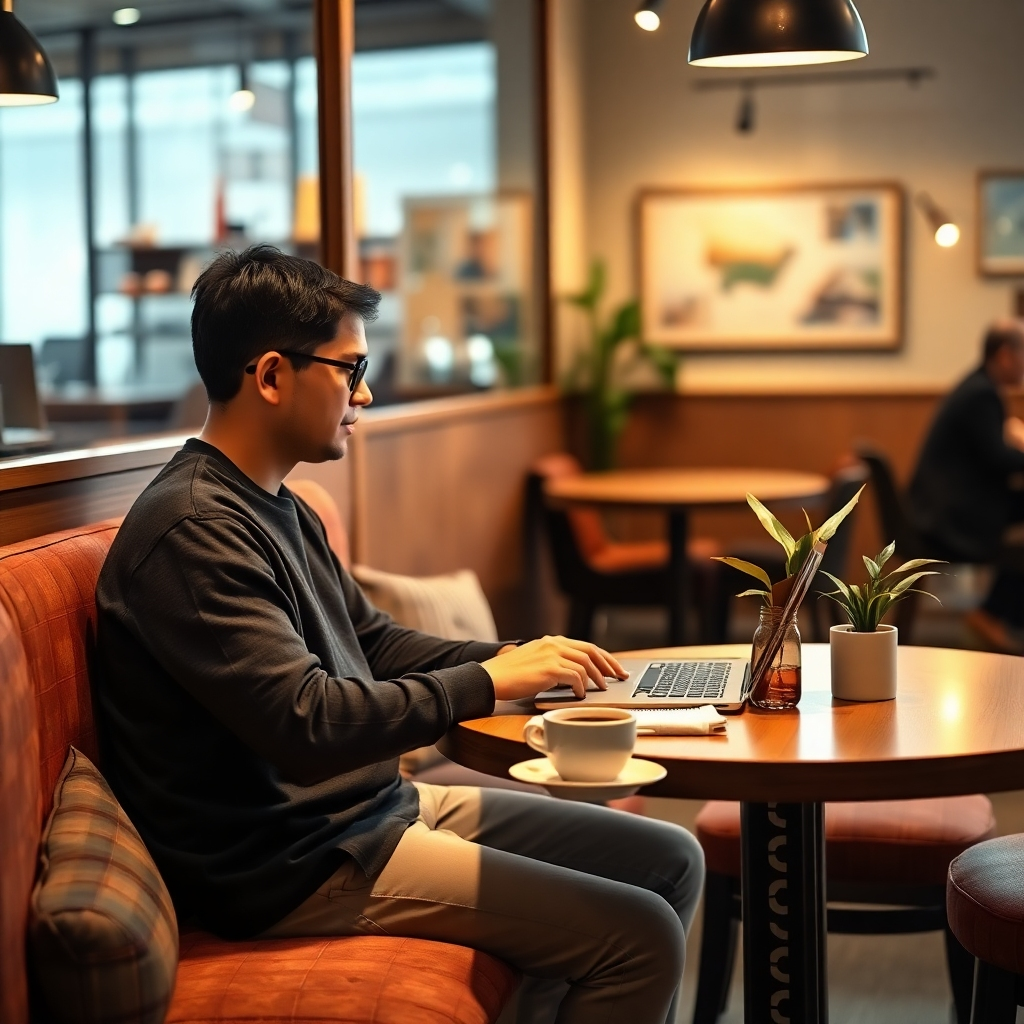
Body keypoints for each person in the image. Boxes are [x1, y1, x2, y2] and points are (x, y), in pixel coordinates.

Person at [94, 245, 704, 1024]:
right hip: (294, 865)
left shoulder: (280, 503)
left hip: (370, 812)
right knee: (640, 934)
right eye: (350, 370)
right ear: (273, 375)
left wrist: (516, 660)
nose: (366, 392)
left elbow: (373, 644)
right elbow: (308, 724)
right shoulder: (192, 532)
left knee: (669, 857)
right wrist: (489, 683)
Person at [909, 319, 1024, 652]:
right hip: (951, 520)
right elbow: (998, 458)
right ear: (1005, 355)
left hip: (952, 507)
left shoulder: (978, 388)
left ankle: (997, 613)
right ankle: (993, 613)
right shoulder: (982, 394)